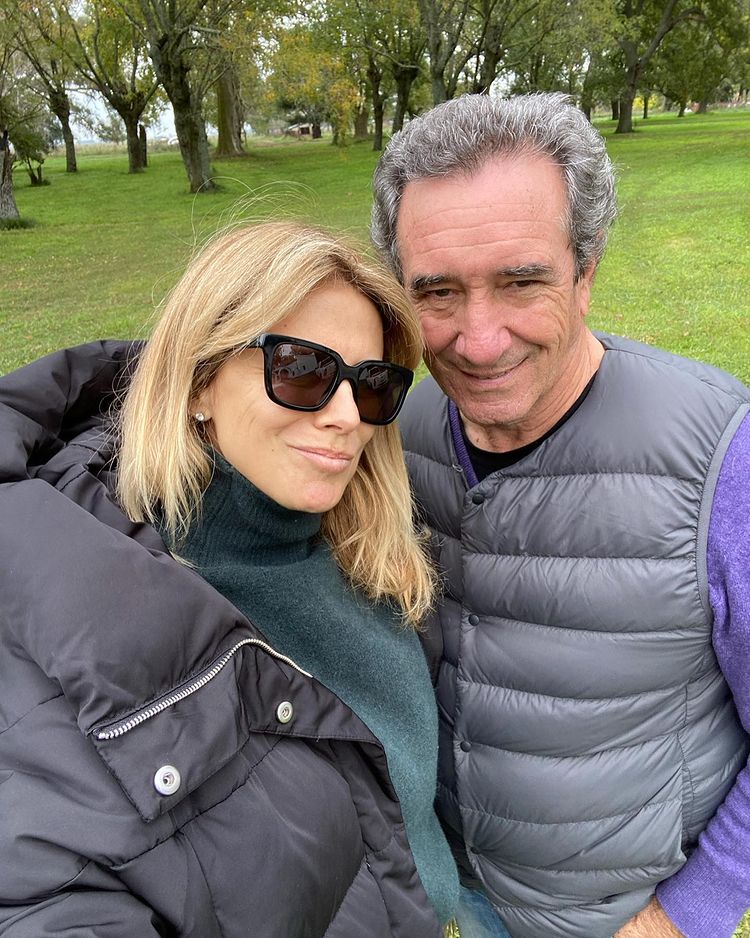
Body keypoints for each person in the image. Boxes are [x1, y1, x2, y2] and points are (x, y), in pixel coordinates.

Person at [0, 221, 462, 936]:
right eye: (303, 369)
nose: (347, 417)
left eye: (372, 385)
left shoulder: (378, 555)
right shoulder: (95, 607)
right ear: (199, 382)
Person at [371, 92, 750, 938]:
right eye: (437, 292)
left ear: (586, 272)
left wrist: (687, 913)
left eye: (521, 281)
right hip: (460, 893)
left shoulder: (724, 457)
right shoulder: (395, 433)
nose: (478, 340)